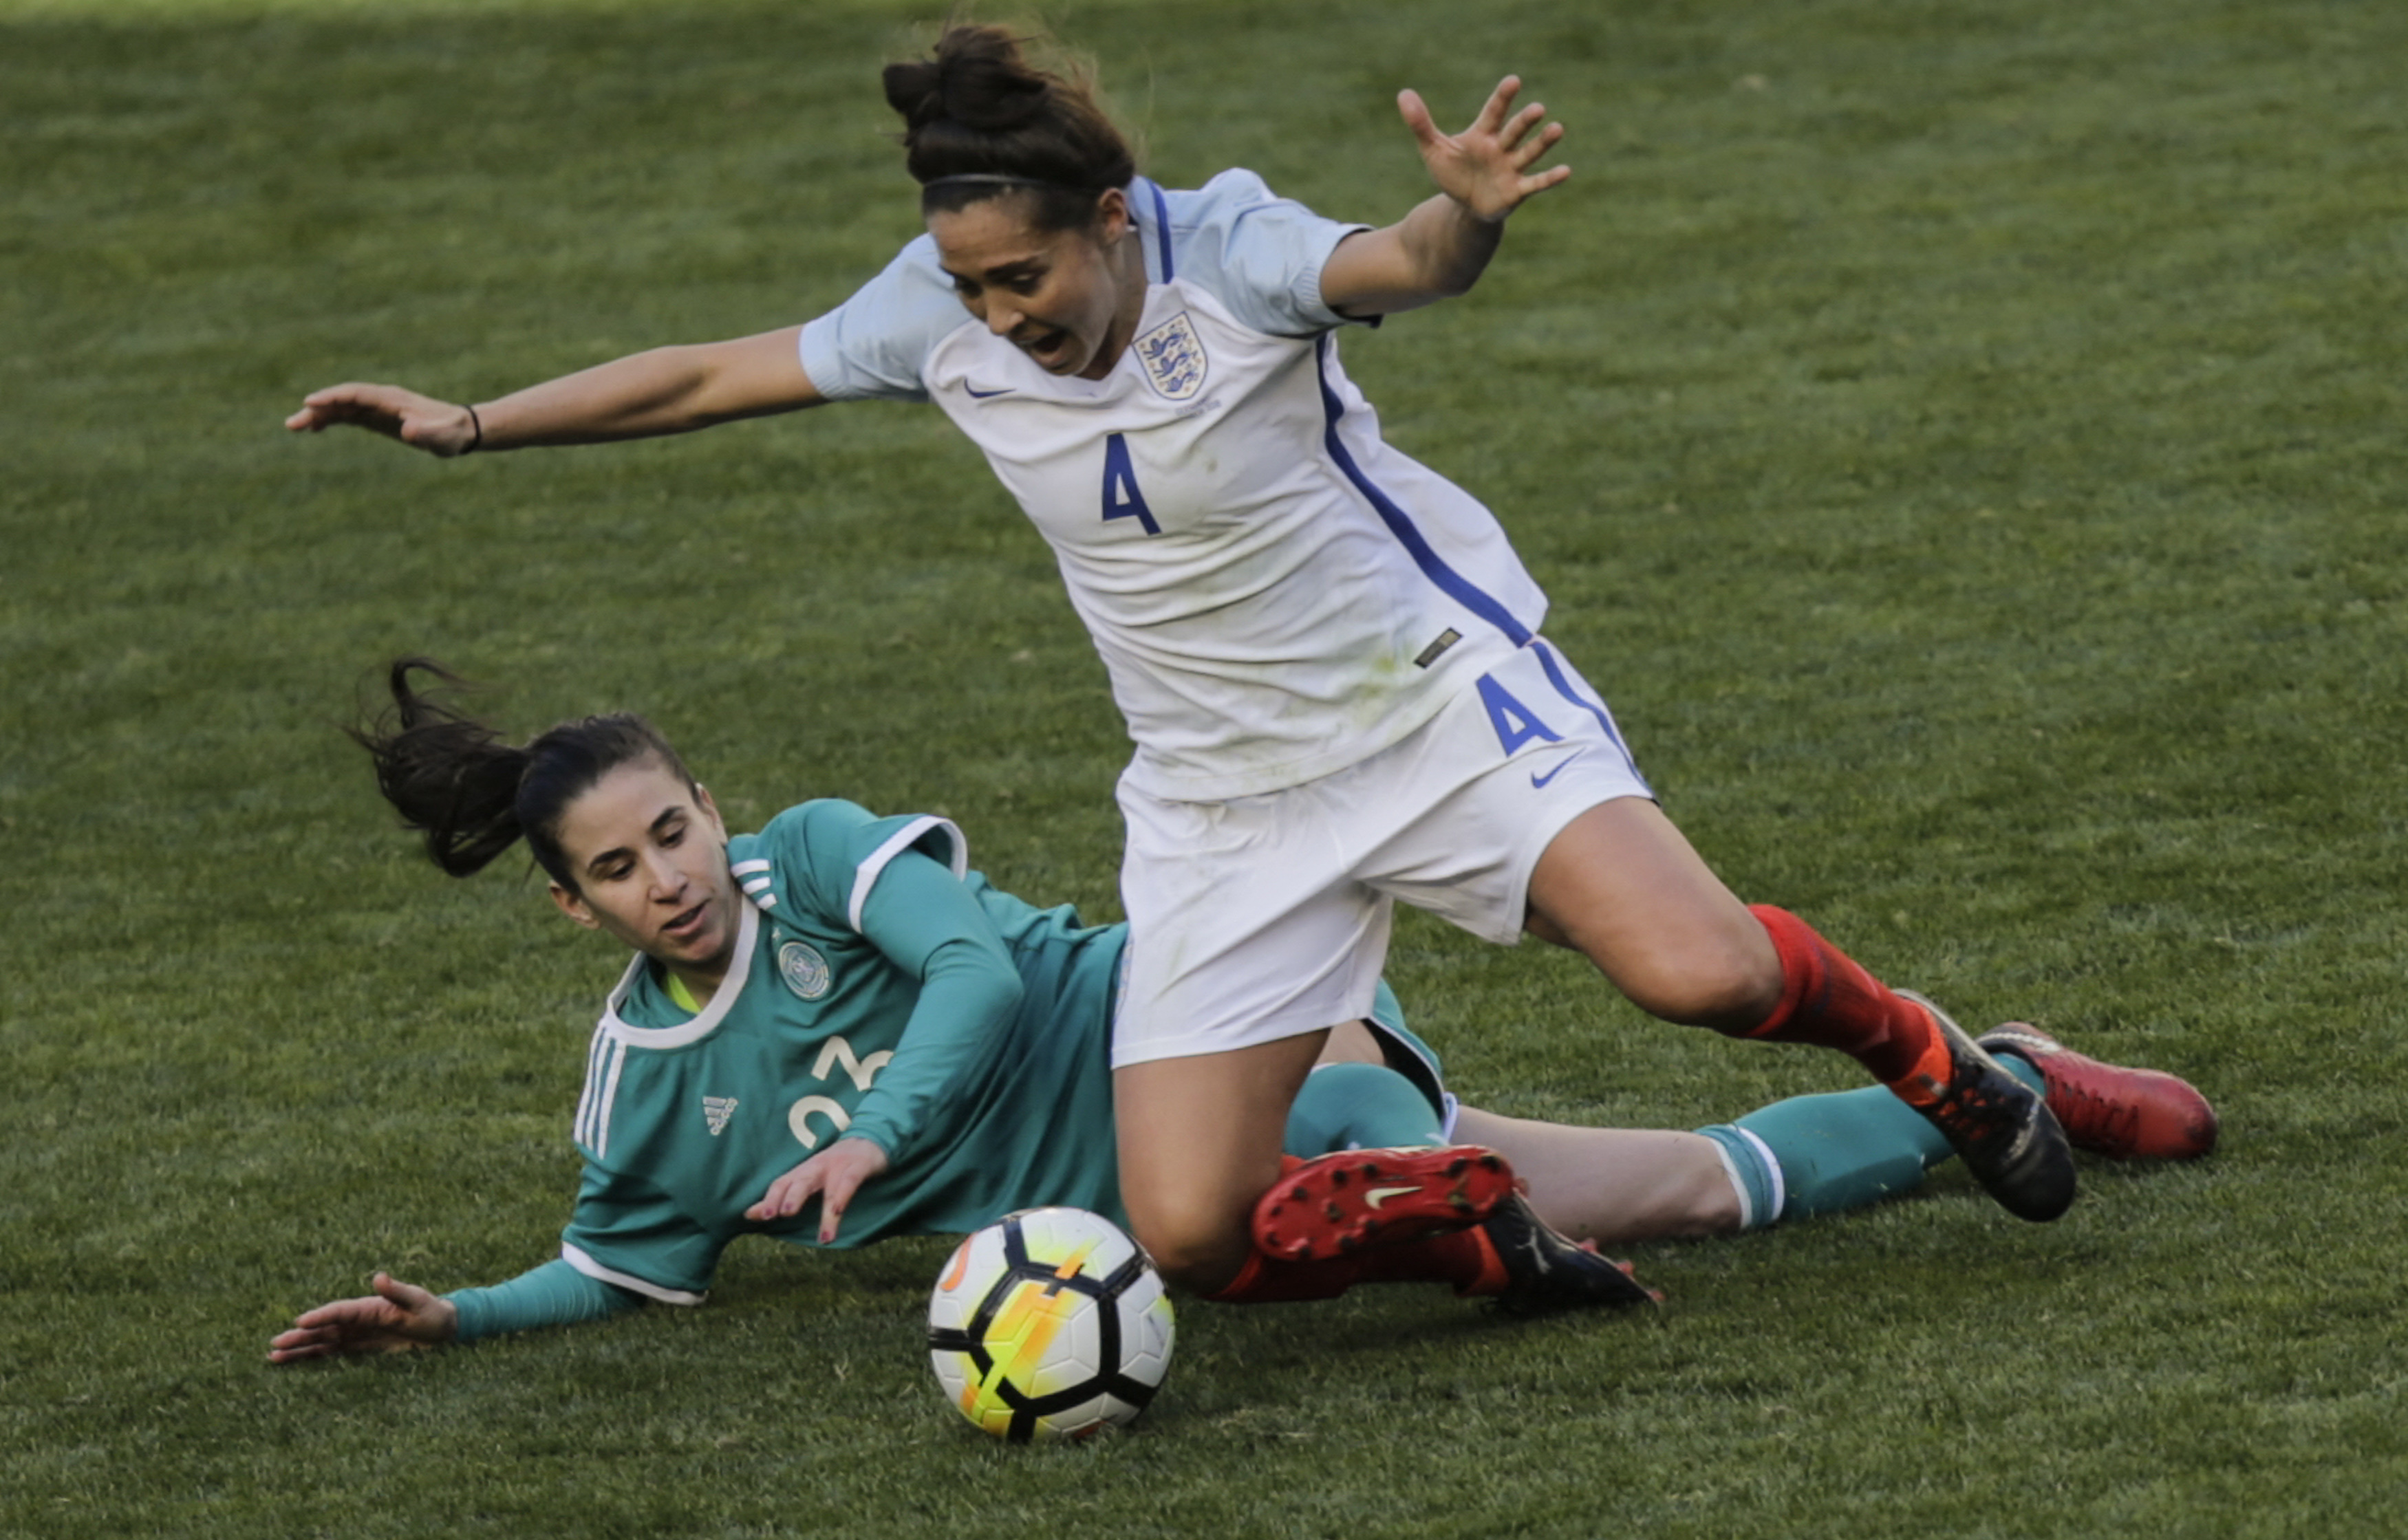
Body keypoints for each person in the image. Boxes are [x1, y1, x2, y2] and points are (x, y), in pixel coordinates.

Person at [288, 24, 2086, 1305]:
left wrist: (1467, 216)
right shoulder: (936, 317)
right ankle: (1474, 1238)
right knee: (1193, 1233)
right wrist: (468, 423)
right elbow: (703, 375)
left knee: (1699, 973)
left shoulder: (1229, 249)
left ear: (1109, 216)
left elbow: (1404, 259)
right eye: (967, 287)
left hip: (1425, 704)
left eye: (1022, 276)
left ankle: (1939, 1065)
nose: (998, 319)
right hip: (1223, 804)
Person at [268, 664, 2213, 1360]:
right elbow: (614, 1265)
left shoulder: (826, 859)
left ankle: (1435, 1219)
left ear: (712, 803)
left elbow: (975, 970)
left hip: (1226, 1023)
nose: (673, 876)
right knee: (1698, 1191)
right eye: (622, 870)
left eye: (677, 829)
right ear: (574, 908)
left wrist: (876, 1138)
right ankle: (2008, 1076)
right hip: (1203, 1185)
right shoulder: (646, 1086)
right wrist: (458, 1318)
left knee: (1321, 1157)